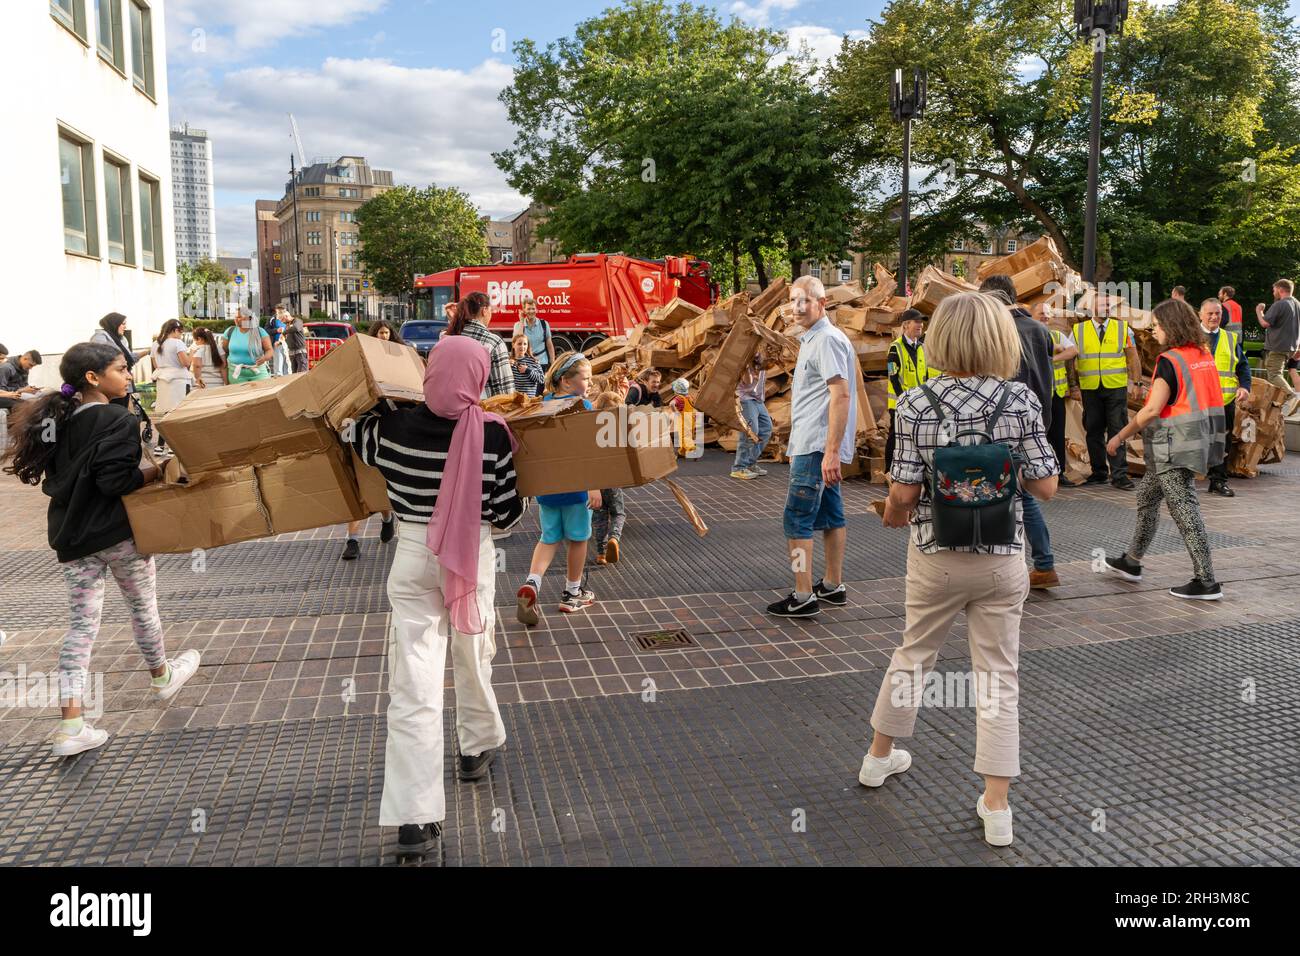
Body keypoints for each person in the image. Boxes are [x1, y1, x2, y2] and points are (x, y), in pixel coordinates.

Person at [863, 292, 1058, 848]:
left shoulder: (916, 404)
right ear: (1001, 339)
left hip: (935, 555)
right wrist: (999, 475)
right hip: (1001, 559)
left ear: (939, 338)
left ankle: (879, 760)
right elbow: (1046, 486)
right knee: (998, 675)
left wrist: (898, 515)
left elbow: (901, 492)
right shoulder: (1019, 400)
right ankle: (996, 807)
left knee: (914, 652)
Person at [346, 335, 525, 862]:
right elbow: (508, 514)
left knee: (414, 685)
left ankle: (415, 819)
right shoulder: (493, 435)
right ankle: (474, 749)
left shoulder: (392, 429)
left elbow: (351, 433)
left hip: (411, 557)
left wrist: (381, 401)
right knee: (474, 655)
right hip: (471, 557)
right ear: (477, 378)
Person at [1, 343, 201, 757]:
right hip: (118, 536)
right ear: (93, 378)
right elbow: (116, 482)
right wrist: (158, 470)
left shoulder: (56, 418)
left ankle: (71, 724)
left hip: (71, 539)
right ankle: (162, 678)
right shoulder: (116, 419)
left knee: (81, 627)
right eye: (121, 369)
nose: (129, 376)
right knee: (142, 608)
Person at [1098, 299, 1225, 600]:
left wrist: (1120, 436)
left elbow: (1153, 409)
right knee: (1147, 497)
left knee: (1185, 510)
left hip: (1174, 444)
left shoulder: (1170, 360)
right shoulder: (1202, 354)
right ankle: (1131, 561)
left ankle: (1206, 580)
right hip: (1197, 439)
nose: (1153, 331)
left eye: (1156, 326)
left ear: (1171, 326)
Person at [768, 275, 857, 618]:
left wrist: (831, 451)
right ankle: (832, 586)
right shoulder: (814, 339)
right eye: (793, 300)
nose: (797, 307)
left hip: (816, 447)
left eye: (805, 300)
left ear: (822, 303)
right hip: (813, 444)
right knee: (831, 515)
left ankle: (803, 594)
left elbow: (841, 394)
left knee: (797, 520)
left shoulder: (826, 340)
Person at [980, 276, 1061, 590]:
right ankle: (1041, 564)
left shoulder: (998, 331)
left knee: (1018, 498)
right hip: (1037, 419)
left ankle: (1039, 563)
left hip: (1004, 422)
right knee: (1024, 493)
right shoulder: (1041, 331)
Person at [515, 352, 602, 625]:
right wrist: (594, 486)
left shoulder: (544, 404)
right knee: (578, 539)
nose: (589, 383)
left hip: (548, 487)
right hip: (577, 487)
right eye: (585, 378)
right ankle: (572, 593)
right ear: (566, 380)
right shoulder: (582, 406)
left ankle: (533, 583)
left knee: (548, 538)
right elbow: (588, 450)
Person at [1073, 294, 1142, 489]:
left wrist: (1136, 383)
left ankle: (1119, 475)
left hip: (1115, 387)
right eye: (1101, 305)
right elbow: (1071, 359)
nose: (1105, 308)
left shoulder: (1122, 328)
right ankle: (1099, 473)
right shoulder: (1078, 330)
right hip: (1090, 388)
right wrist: (1072, 385)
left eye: (1107, 305)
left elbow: (1133, 357)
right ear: (1091, 308)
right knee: (1093, 430)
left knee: (1117, 428)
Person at [1200, 298, 1251, 497]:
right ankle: (1184, 482)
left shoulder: (1230, 339)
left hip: (1224, 401)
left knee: (1222, 442)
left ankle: (1218, 481)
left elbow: (1243, 366)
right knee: (1193, 440)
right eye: (1210, 313)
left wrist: (1245, 387)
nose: (1214, 317)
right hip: (1196, 401)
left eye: (1217, 313)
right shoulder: (1190, 338)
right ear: (1200, 315)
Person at [1030, 301, 1080, 487]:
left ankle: (1060, 473)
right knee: (1037, 434)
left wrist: (1051, 359)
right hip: (1035, 394)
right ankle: (1038, 473)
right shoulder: (1029, 335)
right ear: (1032, 315)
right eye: (1041, 312)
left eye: (1047, 313)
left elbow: (1073, 350)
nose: (1045, 316)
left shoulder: (1056, 335)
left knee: (1057, 434)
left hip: (1056, 394)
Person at [885, 310, 938, 471]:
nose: (920, 325)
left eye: (922, 322)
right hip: (899, 403)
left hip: (918, 403)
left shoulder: (922, 348)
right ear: (906, 325)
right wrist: (903, 399)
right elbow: (893, 376)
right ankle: (888, 470)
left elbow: (926, 375)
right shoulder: (895, 348)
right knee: (895, 436)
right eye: (917, 322)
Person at [446, 292, 514, 397]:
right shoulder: (493, 342)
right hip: (480, 409)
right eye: (491, 310)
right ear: (484, 311)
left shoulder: (447, 337)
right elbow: (505, 392)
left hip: (447, 406)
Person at [590, 390, 627, 565]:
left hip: (596, 482)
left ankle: (601, 553)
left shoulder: (592, 429)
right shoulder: (618, 432)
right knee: (618, 513)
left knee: (599, 517)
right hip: (613, 480)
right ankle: (614, 538)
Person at [1255, 279, 1300, 411]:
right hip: (1291, 347)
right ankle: (1277, 402)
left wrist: (1259, 311)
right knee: (1278, 374)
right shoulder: (1297, 304)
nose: (1273, 292)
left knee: (1274, 374)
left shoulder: (1280, 304)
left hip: (1278, 346)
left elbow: (1265, 323)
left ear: (1280, 289)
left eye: (1274, 290)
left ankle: (1291, 397)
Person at [731, 349, 773, 480]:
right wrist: (748, 363)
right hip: (745, 398)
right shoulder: (744, 359)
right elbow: (748, 382)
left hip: (758, 399)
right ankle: (738, 468)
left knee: (766, 429)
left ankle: (750, 463)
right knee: (750, 432)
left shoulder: (762, 358)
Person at [91, 313, 145, 411]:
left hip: (124, 379)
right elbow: (98, 357)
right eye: (123, 324)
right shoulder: (101, 336)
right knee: (112, 409)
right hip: (111, 380)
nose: (125, 327)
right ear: (114, 323)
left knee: (122, 407)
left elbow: (129, 358)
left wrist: (147, 352)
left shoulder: (122, 339)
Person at [151, 320, 194, 428]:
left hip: (162, 380)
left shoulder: (155, 344)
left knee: (166, 413)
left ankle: (162, 442)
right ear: (175, 330)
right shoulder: (177, 343)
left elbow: (156, 365)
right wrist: (192, 352)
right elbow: (186, 363)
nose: (181, 336)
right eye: (181, 333)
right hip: (179, 382)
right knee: (181, 412)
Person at [223, 310, 273, 383]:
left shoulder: (260, 331)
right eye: (235, 317)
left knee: (262, 394)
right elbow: (224, 351)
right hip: (236, 374)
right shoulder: (229, 331)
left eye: (239, 317)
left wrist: (265, 358)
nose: (236, 319)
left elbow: (269, 350)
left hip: (258, 373)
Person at [511, 296, 555, 369]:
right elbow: (517, 341)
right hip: (525, 363)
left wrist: (553, 361)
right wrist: (522, 320)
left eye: (533, 309)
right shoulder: (518, 325)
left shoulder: (544, 324)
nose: (531, 311)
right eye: (528, 309)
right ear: (524, 310)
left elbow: (549, 344)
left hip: (542, 362)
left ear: (536, 310)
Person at [668, 378, 698, 458]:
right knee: (687, 435)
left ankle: (692, 448)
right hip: (690, 419)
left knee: (682, 436)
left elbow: (671, 404)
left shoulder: (678, 398)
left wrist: (675, 412)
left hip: (683, 419)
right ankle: (682, 452)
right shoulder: (689, 397)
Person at [267, 309, 289, 377]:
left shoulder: (287, 318)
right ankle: (279, 383)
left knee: (287, 366)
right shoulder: (272, 319)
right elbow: (266, 330)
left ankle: (287, 382)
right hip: (277, 345)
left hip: (287, 344)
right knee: (278, 367)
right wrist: (276, 330)